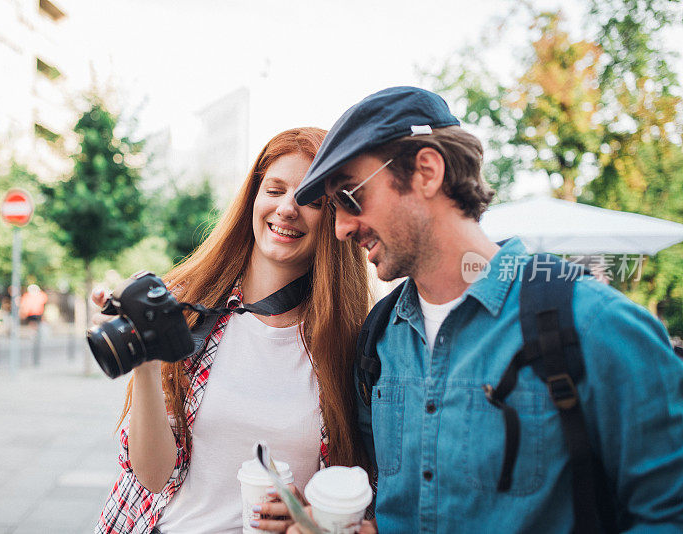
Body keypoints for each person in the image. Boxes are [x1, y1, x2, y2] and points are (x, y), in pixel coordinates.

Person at [290, 87, 683, 532]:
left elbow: (667, 513)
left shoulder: (593, 323)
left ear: (426, 171)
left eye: (349, 196)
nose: (340, 227)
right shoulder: (378, 340)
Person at [95, 127, 372, 533]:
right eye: (275, 190)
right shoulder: (190, 305)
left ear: (335, 217)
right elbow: (153, 477)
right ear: (253, 199)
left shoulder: (351, 341)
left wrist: (308, 510)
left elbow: (360, 486)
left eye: (311, 197)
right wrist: (146, 364)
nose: (288, 208)